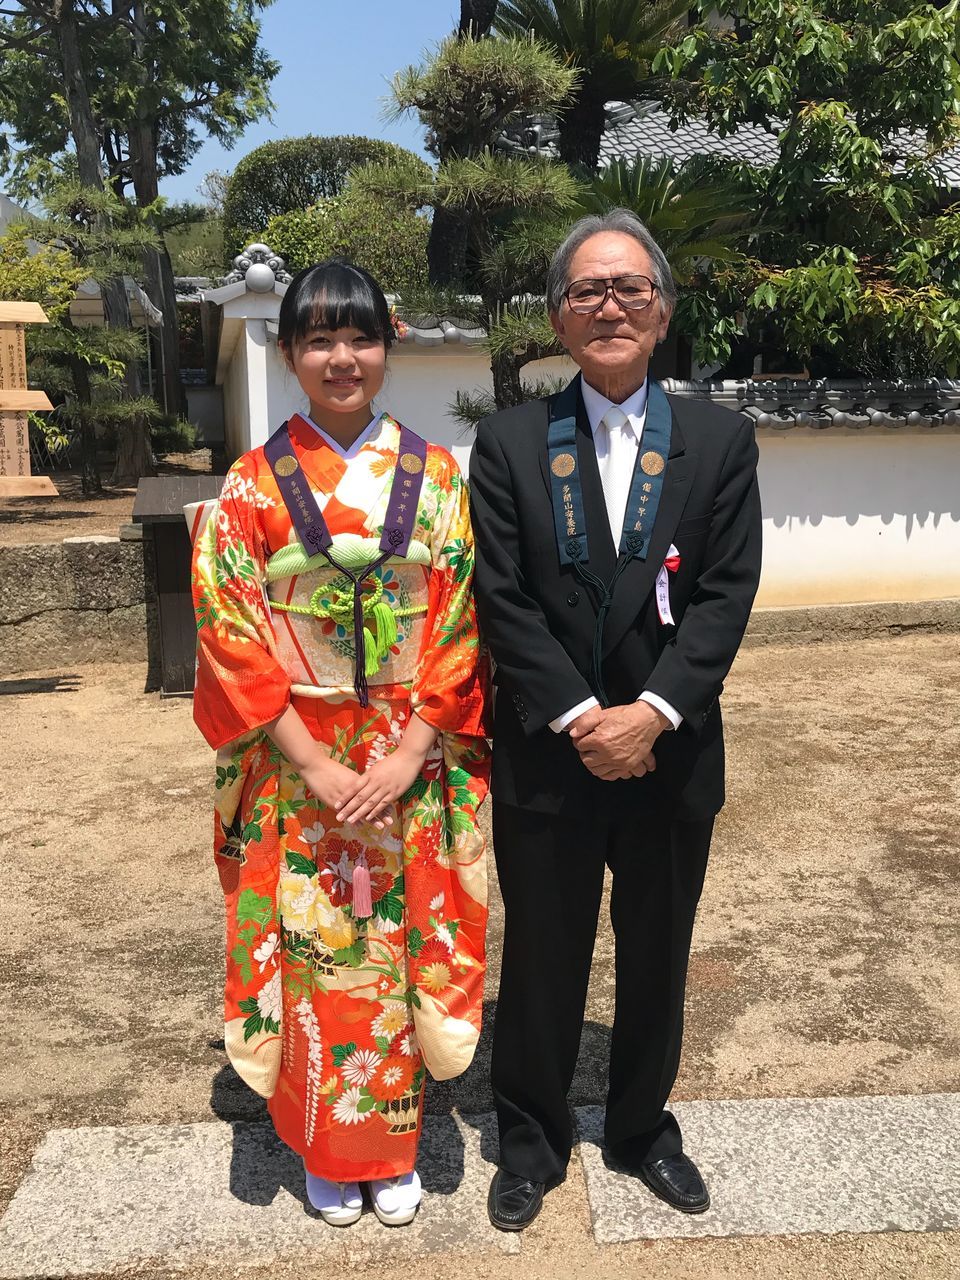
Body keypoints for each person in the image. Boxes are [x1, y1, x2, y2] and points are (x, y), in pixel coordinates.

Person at [469, 210, 762, 1231]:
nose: (609, 306)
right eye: (588, 290)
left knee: (656, 949)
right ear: (557, 316)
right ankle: (529, 1134)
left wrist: (654, 711)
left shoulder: (720, 438)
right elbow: (501, 597)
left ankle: (641, 1127)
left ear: (663, 309)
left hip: (670, 750)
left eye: (630, 288)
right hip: (551, 751)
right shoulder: (509, 441)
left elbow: (726, 593)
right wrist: (587, 715)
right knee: (543, 953)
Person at [191, 259, 490, 1227]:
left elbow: (461, 617)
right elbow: (231, 630)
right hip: (297, 762)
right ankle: (324, 1141)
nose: (341, 357)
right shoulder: (249, 485)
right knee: (316, 944)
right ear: (288, 354)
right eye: (318, 338)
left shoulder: (438, 477)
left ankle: (392, 1140)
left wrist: (407, 754)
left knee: (398, 945)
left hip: (408, 752)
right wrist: (314, 761)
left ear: (387, 344)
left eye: (359, 336)